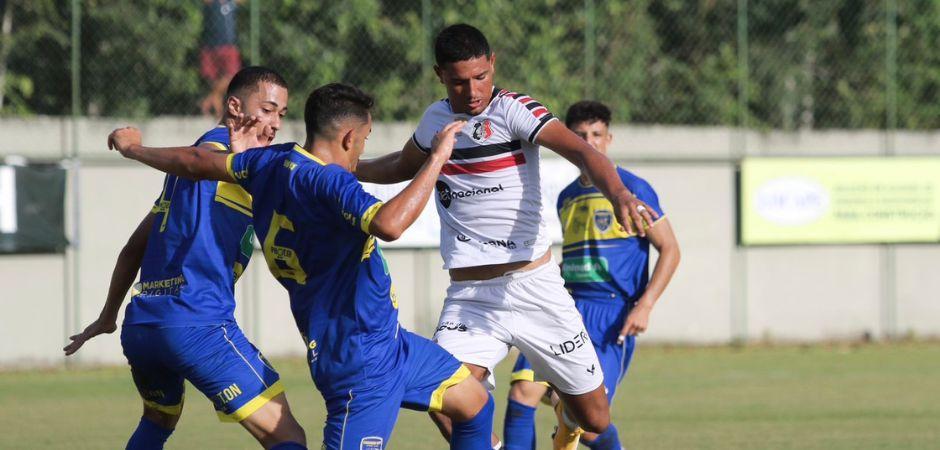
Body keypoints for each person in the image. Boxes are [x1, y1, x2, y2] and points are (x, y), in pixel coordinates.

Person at [107, 82, 495, 450]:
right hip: (358, 363)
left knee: (476, 406)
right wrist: (438, 157)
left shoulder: (269, 162)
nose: (361, 150)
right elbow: (390, 224)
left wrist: (134, 149)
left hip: (394, 345)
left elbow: (194, 162)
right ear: (348, 138)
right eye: (364, 140)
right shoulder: (330, 183)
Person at [354, 24, 659, 450]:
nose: (473, 90)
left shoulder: (516, 109)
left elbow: (583, 152)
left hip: (536, 288)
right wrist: (349, 167)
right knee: (444, 402)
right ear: (440, 74)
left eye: (481, 76)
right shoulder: (436, 121)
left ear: (492, 63)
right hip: (471, 295)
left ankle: (566, 421)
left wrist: (620, 193)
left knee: (594, 418)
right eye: (460, 81)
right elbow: (402, 165)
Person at [64, 66, 307, 450]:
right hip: (198, 324)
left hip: (143, 325)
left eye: (282, 114)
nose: (276, 122)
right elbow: (200, 159)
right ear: (234, 107)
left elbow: (132, 249)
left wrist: (109, 315)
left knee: (159, 419)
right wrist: (132, 150)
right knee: (287, 435)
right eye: (268, 110)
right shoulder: (216, 150)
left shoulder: (182, 181)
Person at [503, 101, 681, 450]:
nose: (590, 142)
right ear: (569, 139)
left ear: (608, 138)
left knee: (590, 424)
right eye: (581, 136)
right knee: (523, 392)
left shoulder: (633, 189)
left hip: (611, 313)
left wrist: (645, 305)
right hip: (566, 307)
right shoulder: (567, 196)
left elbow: (671, 249)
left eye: (597, 135)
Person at [200, 0, 243, 117]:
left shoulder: (232, 3)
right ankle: (217, 109)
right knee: (212, 79)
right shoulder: (211, 3)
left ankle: (212, 98)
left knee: (231, 75)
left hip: (229, 46)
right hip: (211, 45)